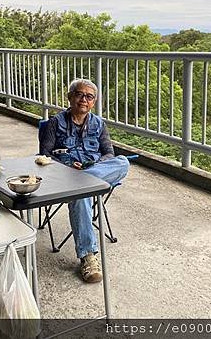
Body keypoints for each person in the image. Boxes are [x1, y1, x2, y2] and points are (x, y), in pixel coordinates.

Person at [40, 78, 130, 283]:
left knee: (123, 163)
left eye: (89, 97)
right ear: (70, 97)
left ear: (94, 102)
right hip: (64, 175)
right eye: (79, 94)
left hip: (92, 172)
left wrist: (92, 165)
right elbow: (44, 156)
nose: (84, 100)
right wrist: (67, 168)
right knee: (81, 194)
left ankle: (82, 182)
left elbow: (109, 154)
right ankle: (88, 257)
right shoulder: (55, 123)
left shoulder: (99, 124)